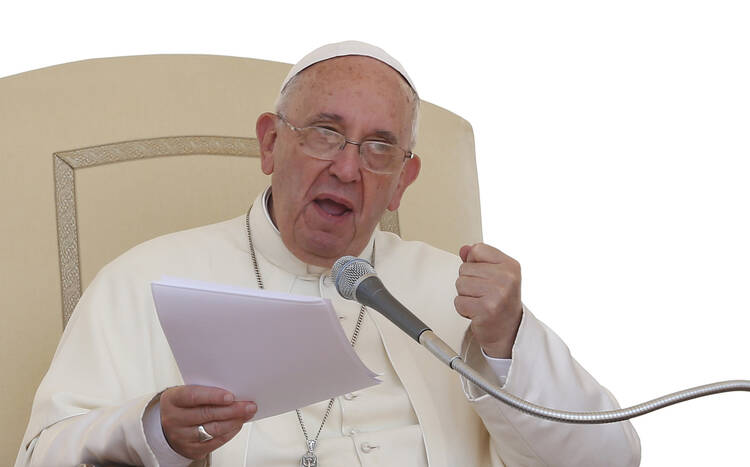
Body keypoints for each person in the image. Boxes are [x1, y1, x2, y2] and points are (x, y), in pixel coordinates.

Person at [16, 41, 640, 466]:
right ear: (268, 144)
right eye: (325, 133)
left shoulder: (455, 291)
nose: (347, 166)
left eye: (379, 147)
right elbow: (40, 453)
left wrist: (509, 341)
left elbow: (612, 457)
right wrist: (153, 429)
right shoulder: (141, 279)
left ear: (404, 178)